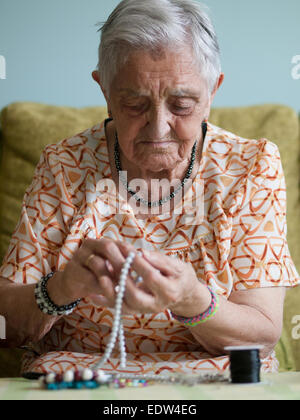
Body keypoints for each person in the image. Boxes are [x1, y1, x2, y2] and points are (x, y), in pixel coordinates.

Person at [0, 0, 299, 377]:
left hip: (212, 383)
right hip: (83, 382)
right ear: (105, 90)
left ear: (213, 91)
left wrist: (192, 298)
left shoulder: (250, 167)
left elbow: (264, 333)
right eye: (134, 104)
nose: (158, 129)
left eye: (182, 104)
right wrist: (60, 288)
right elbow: (4, 327)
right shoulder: (63, 166)